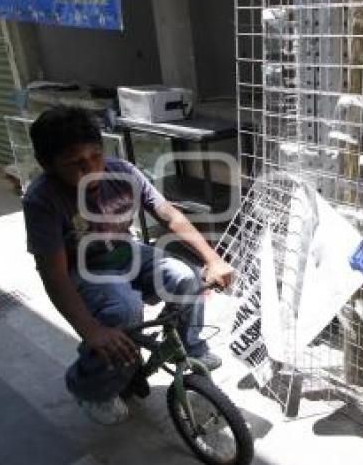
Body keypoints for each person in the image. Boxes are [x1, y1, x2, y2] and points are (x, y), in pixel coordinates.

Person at [22, 107, 234, 425]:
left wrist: (213, 260)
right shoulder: (42, 200)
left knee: (187, 278)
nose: (91, 169)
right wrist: (91, 331)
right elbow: (52, 272)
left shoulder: (124, 173)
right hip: (83, 268)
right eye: (75, 164)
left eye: (95, 156)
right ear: (47, 164)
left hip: (125, 252)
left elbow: (170, 215)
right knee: (123, 311)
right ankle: (89, 387)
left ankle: (188, 345)